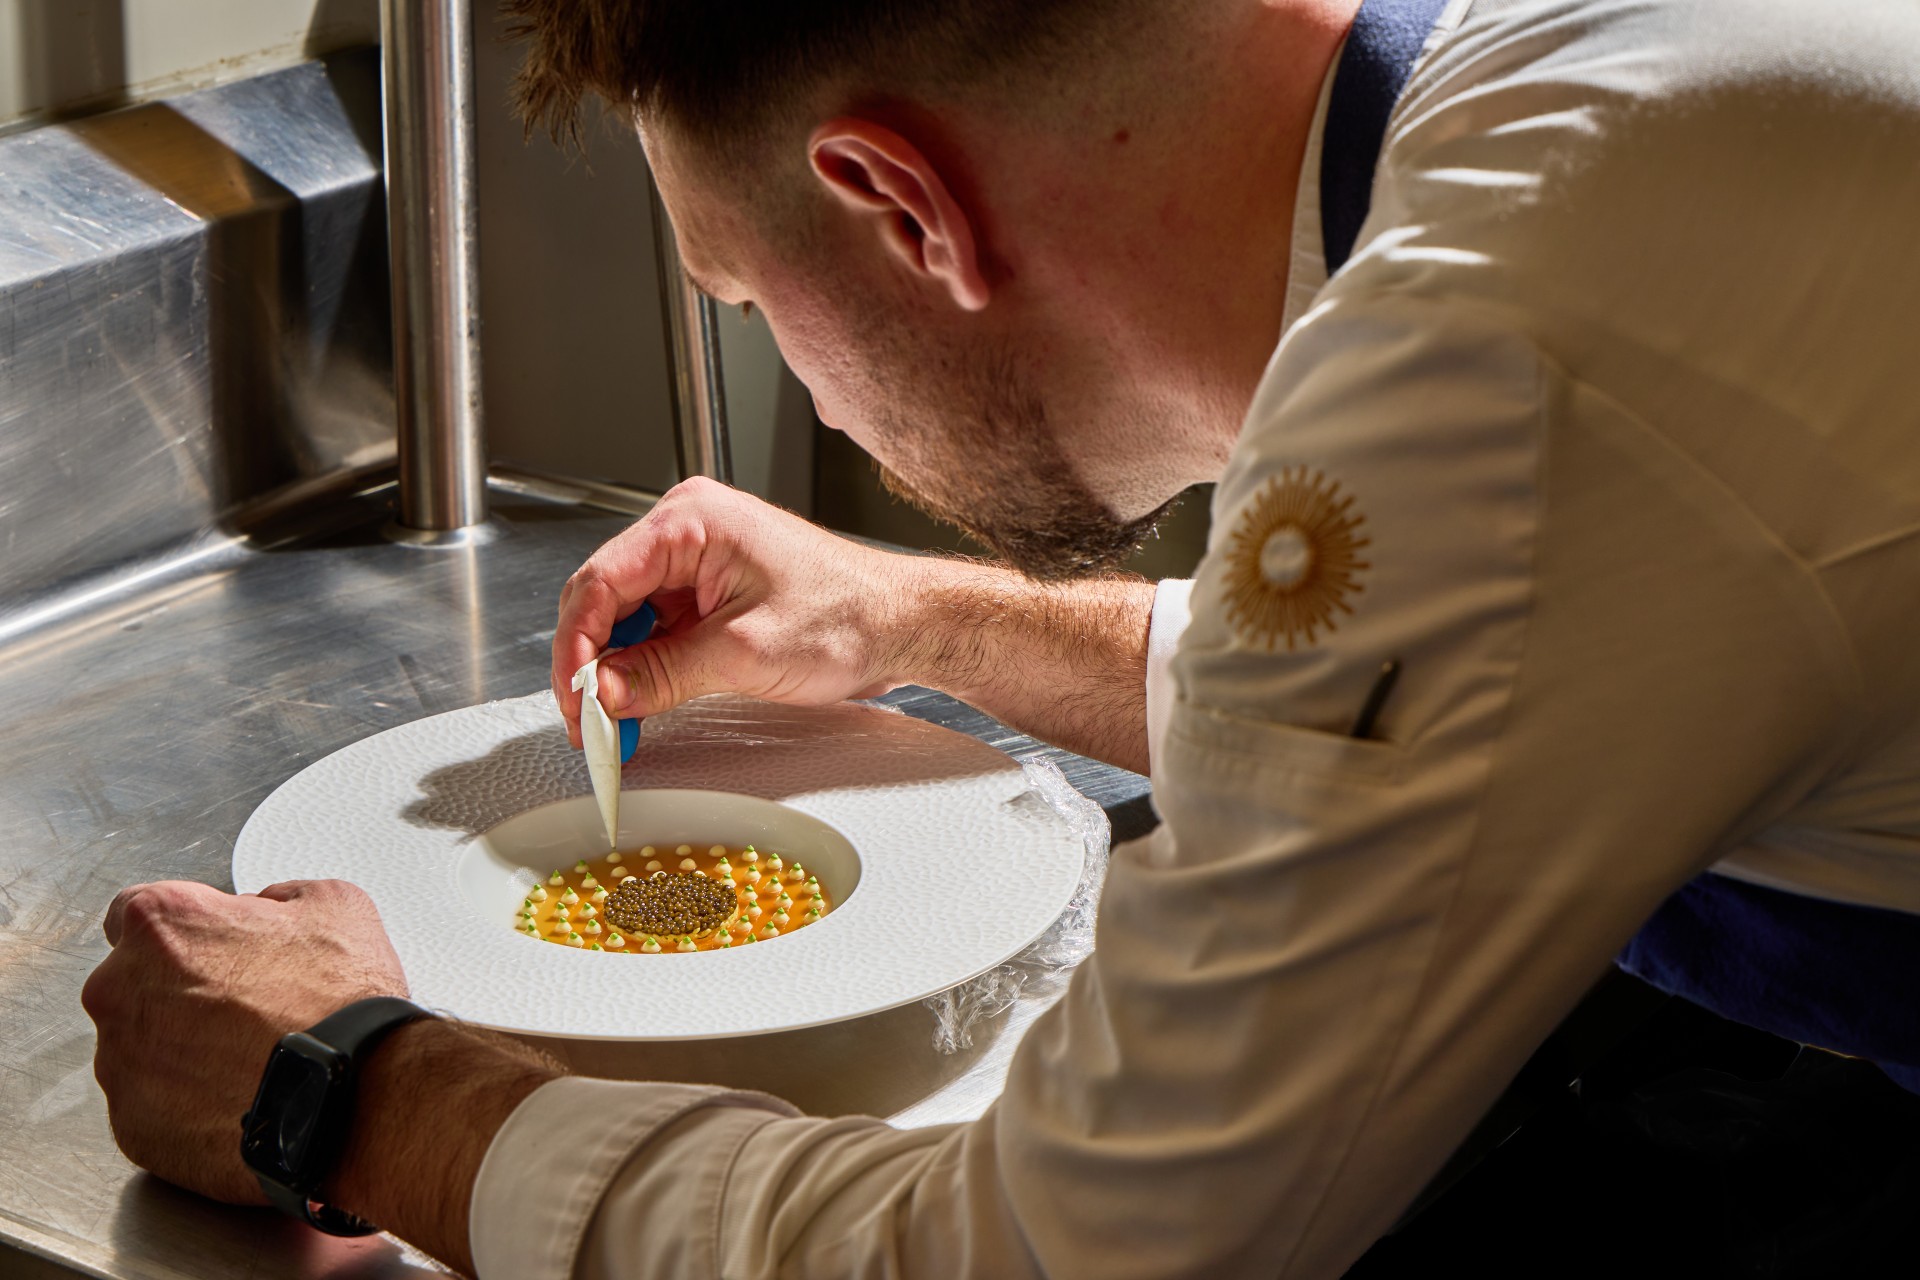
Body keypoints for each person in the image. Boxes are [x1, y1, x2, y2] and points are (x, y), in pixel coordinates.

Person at [83, 0, 1920, 1275]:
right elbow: (1479, 687)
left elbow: (1053, 1256)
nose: (800, 382)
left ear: (901, 205)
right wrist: (919, 615)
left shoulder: (1497, 368)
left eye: (742, 294)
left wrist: (349, 1080)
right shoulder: (1581, 105)